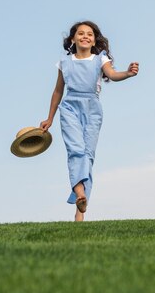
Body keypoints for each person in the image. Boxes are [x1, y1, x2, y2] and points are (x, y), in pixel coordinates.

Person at [40, 21, 139, 221]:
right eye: (81, 33)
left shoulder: (100, 58)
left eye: (90, 34)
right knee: (75, 150)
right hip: (69, 107)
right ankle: (80, 193)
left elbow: (112, 74)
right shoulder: (64, 62)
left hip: (92, 109)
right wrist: (50, 118)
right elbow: (58, 91)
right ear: (73, 38)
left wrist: (127, 74)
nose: (85, 36)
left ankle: (80, 210)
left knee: (88, 156)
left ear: (94, 40)